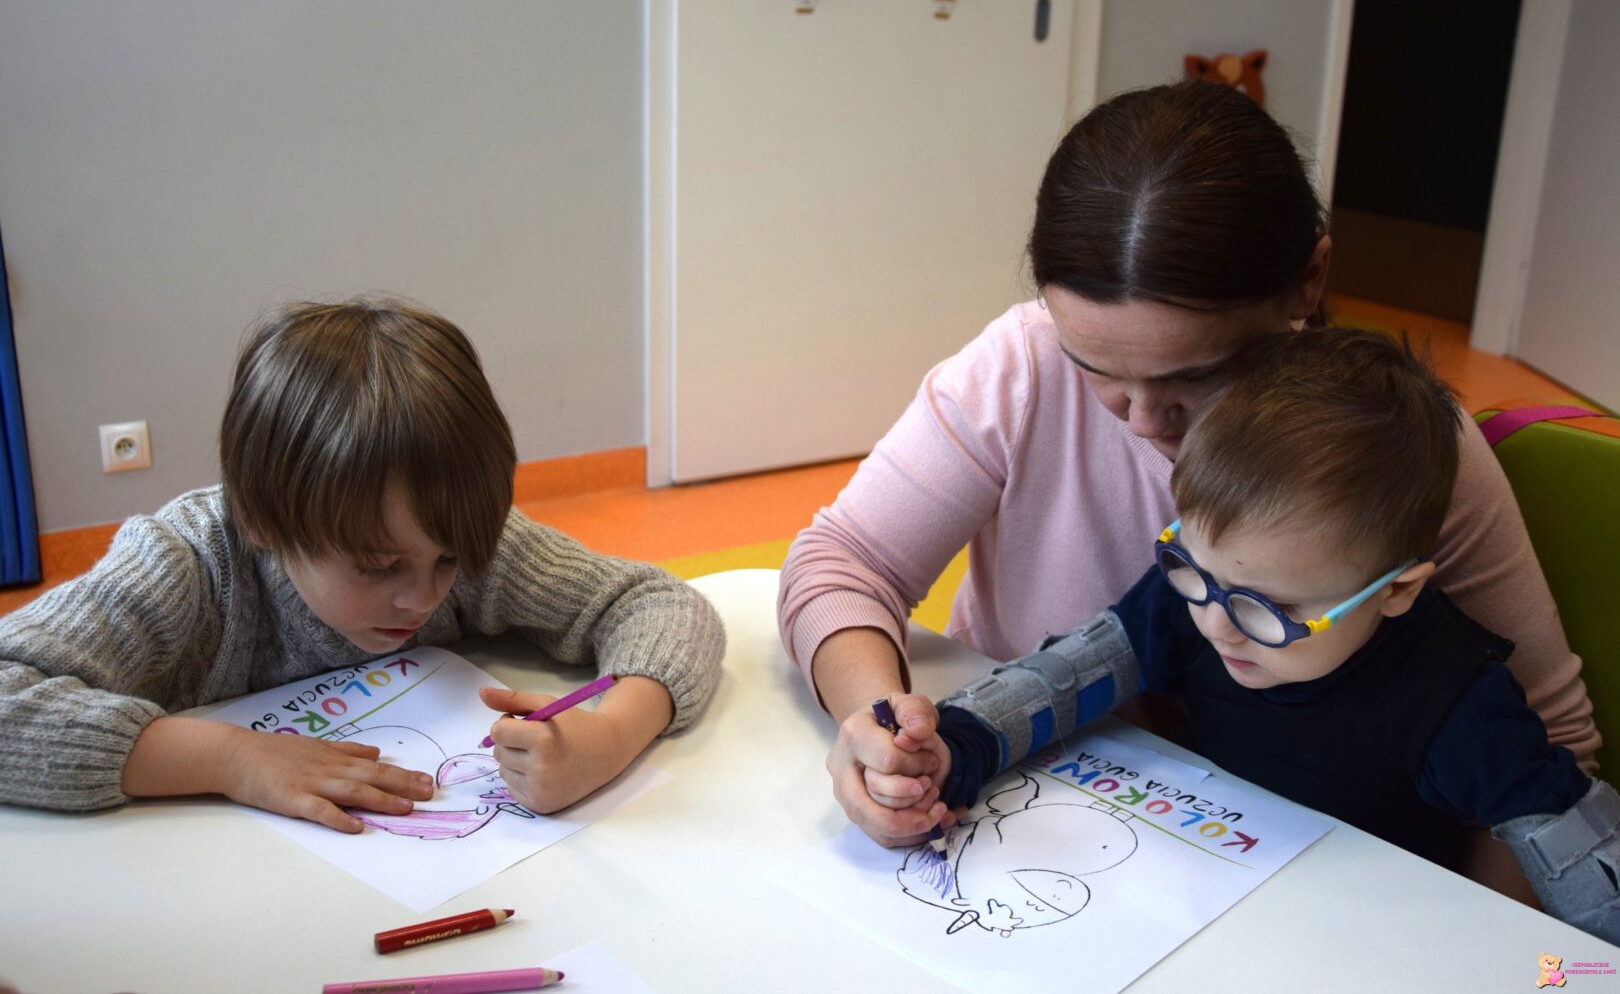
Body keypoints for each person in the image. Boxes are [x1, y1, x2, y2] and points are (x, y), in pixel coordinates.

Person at [777, 81, 1599, 891]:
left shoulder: (1387, 455)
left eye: (1194, 376)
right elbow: (844, 560)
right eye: (1095, 367)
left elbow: (1548, 745)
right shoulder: (1020, 366)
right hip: (1024, 801)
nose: (1141, 421)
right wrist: (878, 729)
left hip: (1287, 868)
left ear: (1307, 281)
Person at [867, 328, 1620, 942]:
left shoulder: (1459, 704)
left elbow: (1580, 867)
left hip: (1363, 937)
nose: (1218, 625)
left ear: (1395, 591)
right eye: (1194, 569)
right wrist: (957, 745)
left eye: (1267, 607)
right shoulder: (1197, 598)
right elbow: (1071, 676)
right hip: (1202, 897)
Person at [0, 297, 724, 830]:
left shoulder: (455, 538)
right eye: (378, 567)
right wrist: (233, 759)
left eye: (447, 560)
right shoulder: (184, 563)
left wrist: (612, 734)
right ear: (264, 521)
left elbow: (661, 604)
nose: (423, 596)